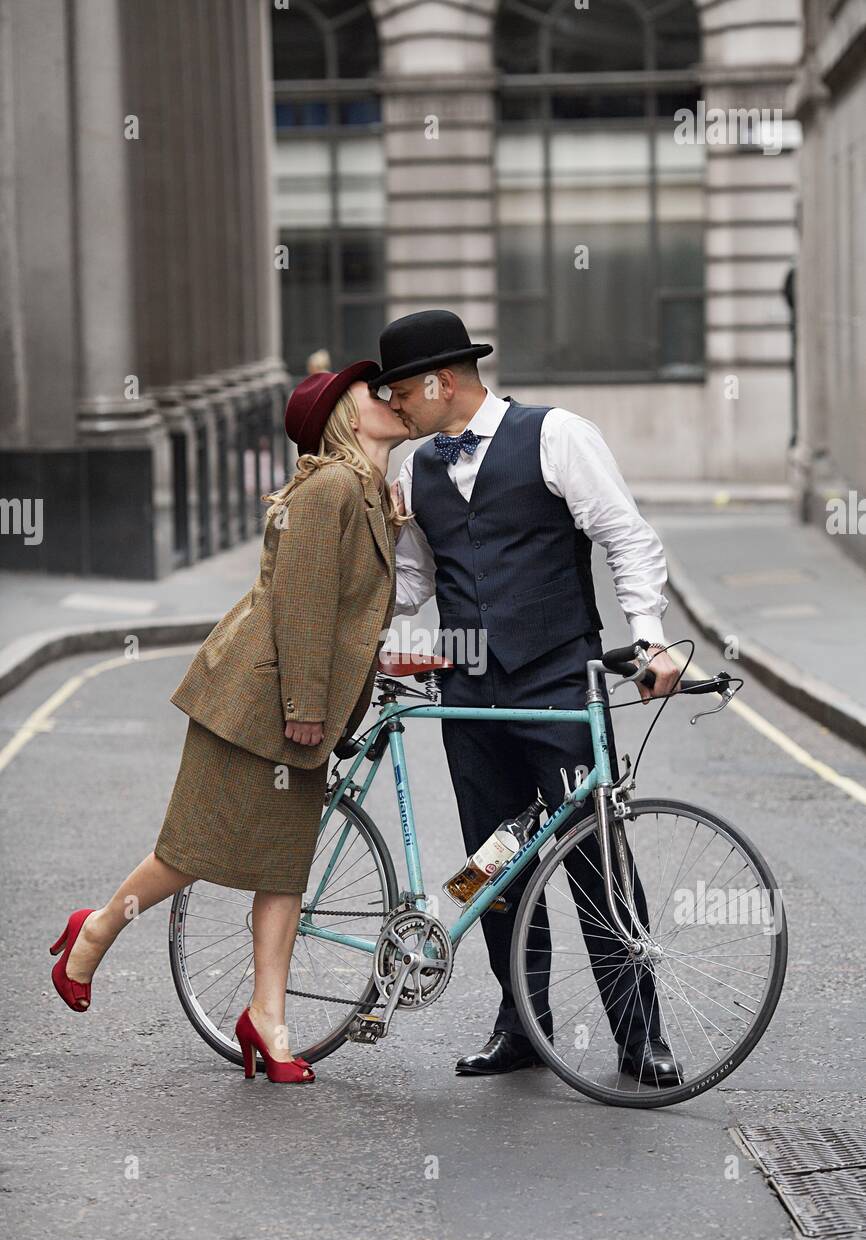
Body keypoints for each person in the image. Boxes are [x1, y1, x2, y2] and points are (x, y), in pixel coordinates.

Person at [49, 360, 409, 1084]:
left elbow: (350, 613)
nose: (396, 397)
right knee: (194, 846)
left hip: (295, 704)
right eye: (378, 392)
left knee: (283, 866)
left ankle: (267, 1018)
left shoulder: (370, 493)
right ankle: (94, 932)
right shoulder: (332, 486)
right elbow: (301, 602)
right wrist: (307, 705)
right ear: (345, 413)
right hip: (255, 701)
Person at [375, 309, 684, 1084]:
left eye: (401, 392)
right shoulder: (412, 469)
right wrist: (365, 630)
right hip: (470, 690)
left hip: (556, 681)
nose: (396, 408)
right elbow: (416, 580)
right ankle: (522, 1024)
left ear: (440, 383)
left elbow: (626, 536)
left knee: (594, 861)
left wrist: (646, 637)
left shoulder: (557, 436)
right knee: (493, 865)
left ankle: (638, 1035)